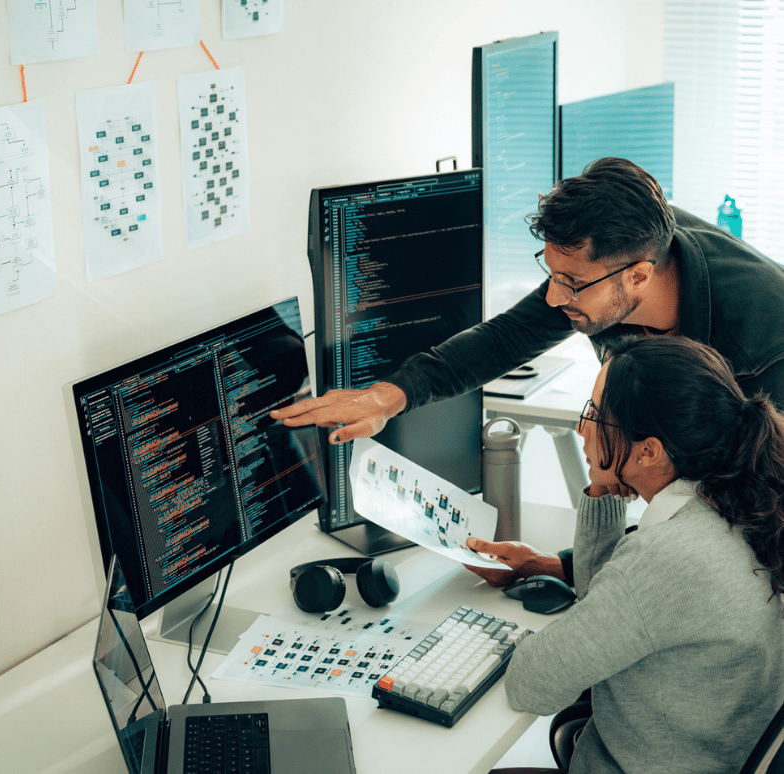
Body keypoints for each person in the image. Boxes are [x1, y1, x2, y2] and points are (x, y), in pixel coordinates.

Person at [271, 156, 784, 586]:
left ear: (639, 276)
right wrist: (390, 395)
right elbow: (506, 337)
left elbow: (734, 522)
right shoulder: (620, 248)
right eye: (551, 274)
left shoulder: (762, 336)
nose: (556, 298)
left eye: (571, 283)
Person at [491, 335, 784, 774]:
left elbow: (532, 685)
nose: (580, 429)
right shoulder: (745, 504)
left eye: (594, 415)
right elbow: (605, 603)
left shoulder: (669, 557)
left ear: (648, 451)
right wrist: (602, 486)